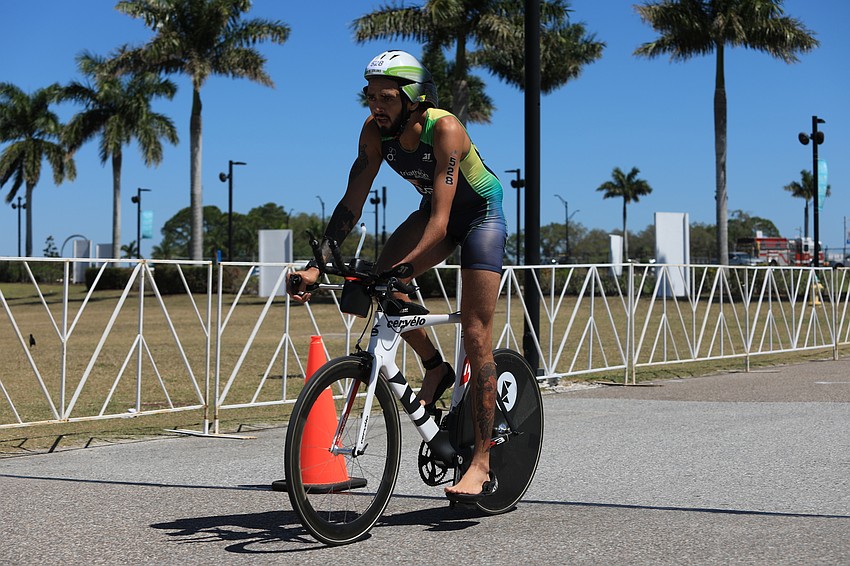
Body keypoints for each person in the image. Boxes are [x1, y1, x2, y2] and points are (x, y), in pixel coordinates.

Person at [288, 50, 507, 502]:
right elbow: (351, 203)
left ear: (413, 98)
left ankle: (481, 463)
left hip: (477, 216)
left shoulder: (443, 128)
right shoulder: (374, 133)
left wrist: (400, 270)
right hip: (432, 213)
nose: (375, 107)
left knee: (475, 330)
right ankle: (435, 367)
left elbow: (444, 224)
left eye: (386, 98)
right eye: (370, 97)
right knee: (383, 285)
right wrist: (317, 266)